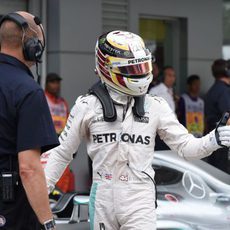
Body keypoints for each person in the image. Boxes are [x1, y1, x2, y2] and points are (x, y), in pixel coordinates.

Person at [44, 31, 230, 230]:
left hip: (140, 198)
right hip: (102, 196)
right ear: (107, 69)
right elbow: (61, 153)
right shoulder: (86, 106)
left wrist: (214, 139)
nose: (139, 73)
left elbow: (186, 147)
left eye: (142, 66)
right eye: (132, 68)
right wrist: (37, 194)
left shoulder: (156, 106)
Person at [0, 11, 59, 230]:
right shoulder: (27, 91)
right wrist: (47, 223)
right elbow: (29, 169)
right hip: (11, 211)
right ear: (31, 45)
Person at [44, 73, 74, 193]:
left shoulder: (63, 103)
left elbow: (69, 123)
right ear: (46, 84)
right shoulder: (42, 99)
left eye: (57, 82)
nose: (56, 85)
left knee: (63, 173)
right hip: (46, 143)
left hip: (60, 142)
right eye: (52, 82)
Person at [205, 59, 230, 173]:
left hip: (213, 137)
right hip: (222, 139)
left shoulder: (212, 90)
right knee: (221, 173)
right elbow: (227, 117)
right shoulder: (224, 91)